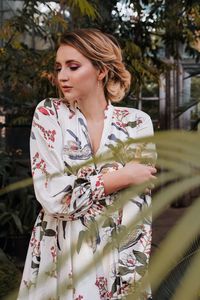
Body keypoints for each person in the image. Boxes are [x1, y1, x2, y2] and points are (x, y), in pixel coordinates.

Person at [18, 28, 157, 300]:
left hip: (116, 258)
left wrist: (132, 279)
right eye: (58, 67)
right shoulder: (49, 114)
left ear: (101, 70)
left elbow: (137, 209)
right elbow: (54, 197)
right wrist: (119, 178)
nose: (61, 76)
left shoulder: (137, 123)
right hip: (58, 254)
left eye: (73, 66)